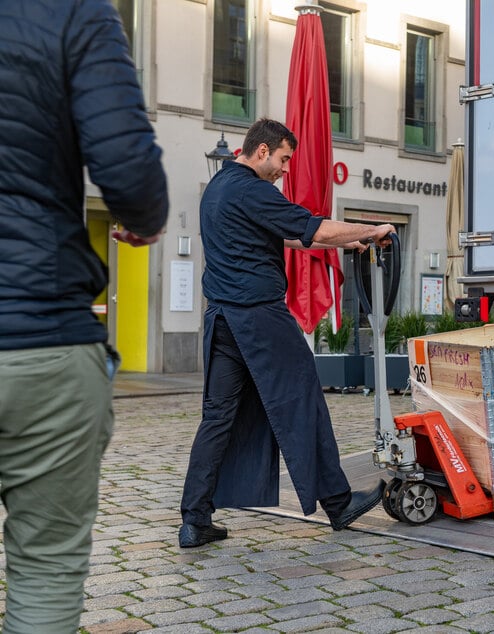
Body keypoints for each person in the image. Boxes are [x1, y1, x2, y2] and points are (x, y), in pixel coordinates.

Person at [0, 0, 170, 630]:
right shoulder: (72, 11)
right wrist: (143, 221)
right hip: (42, 339)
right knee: (45, 572)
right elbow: (129, 171)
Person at [179, 118, 393, 548]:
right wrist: (372, 230)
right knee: (303, 399)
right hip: (259, 318)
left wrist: (343, 244)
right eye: (283, 158)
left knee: (217, 419)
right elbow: (312, 226)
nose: (285, 168)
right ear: (261, 151)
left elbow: (290, 238)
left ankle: (194, 519)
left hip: (221, 320)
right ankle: (338, 502)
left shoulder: (217, 190)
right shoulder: (253, 189)